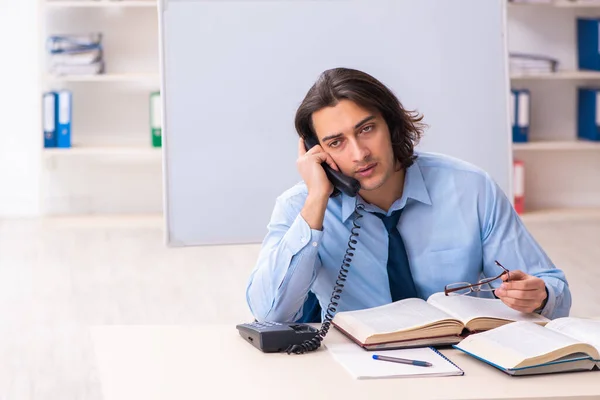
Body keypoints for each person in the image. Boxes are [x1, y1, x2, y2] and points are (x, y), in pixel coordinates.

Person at [245, 67, 571, 324]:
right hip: (357, 373)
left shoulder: (471, 188)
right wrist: (317, 199)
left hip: (466, 365)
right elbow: (270, 314)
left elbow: (555, 291)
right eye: (336, 142)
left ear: (391, 123)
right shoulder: (299, 207)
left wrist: (539, 295)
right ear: (317, 153)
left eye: (366, 129)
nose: (359, 153)